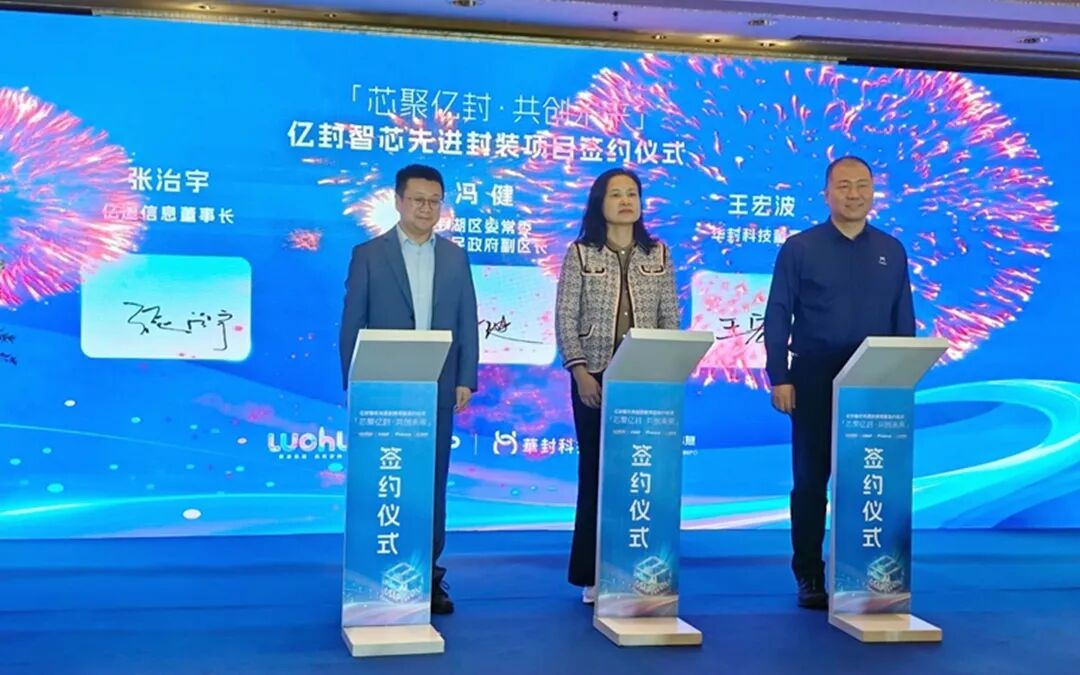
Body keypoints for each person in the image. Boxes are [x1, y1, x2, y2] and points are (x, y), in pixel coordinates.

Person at [763, 156, 916, 609]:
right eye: (844, 186)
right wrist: (779, 376)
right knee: (811, 481)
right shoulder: (800, 247)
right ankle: (809, 573)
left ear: (874, 191)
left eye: (862, 185)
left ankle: (870, 572)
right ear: (826, 194)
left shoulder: (891, 250)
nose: (854, 194)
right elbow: (778, 314)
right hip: (813, 377)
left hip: (874, 383)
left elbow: (903, 319)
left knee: (870, 479)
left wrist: (902, 377)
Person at [339, 164, 479, 615]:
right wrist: (353, 382)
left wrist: (466, 377)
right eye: (417, 200)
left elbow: (467, 320)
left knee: (431, 485)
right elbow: (352, 323)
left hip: (437, 387)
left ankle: (428, 576)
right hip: (382, 389)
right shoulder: (368, 254)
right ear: (398, 201)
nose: (426, 208)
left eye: (434, 201)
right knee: (383, 480)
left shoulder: (455, 257)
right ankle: (376, 570)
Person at [555, 167, 681, 604]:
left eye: (632, 194)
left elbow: (670, 316)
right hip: (594, 376)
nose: (626, 201)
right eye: (616, 194)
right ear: (599, 203)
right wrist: (580, 372)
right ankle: (593, 573)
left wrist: (663, 372)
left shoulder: (658, 253)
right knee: (596, 473)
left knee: (640, 475)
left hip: (644, 380)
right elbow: (565, 316)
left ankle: (637, 567)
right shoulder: (581, 253)